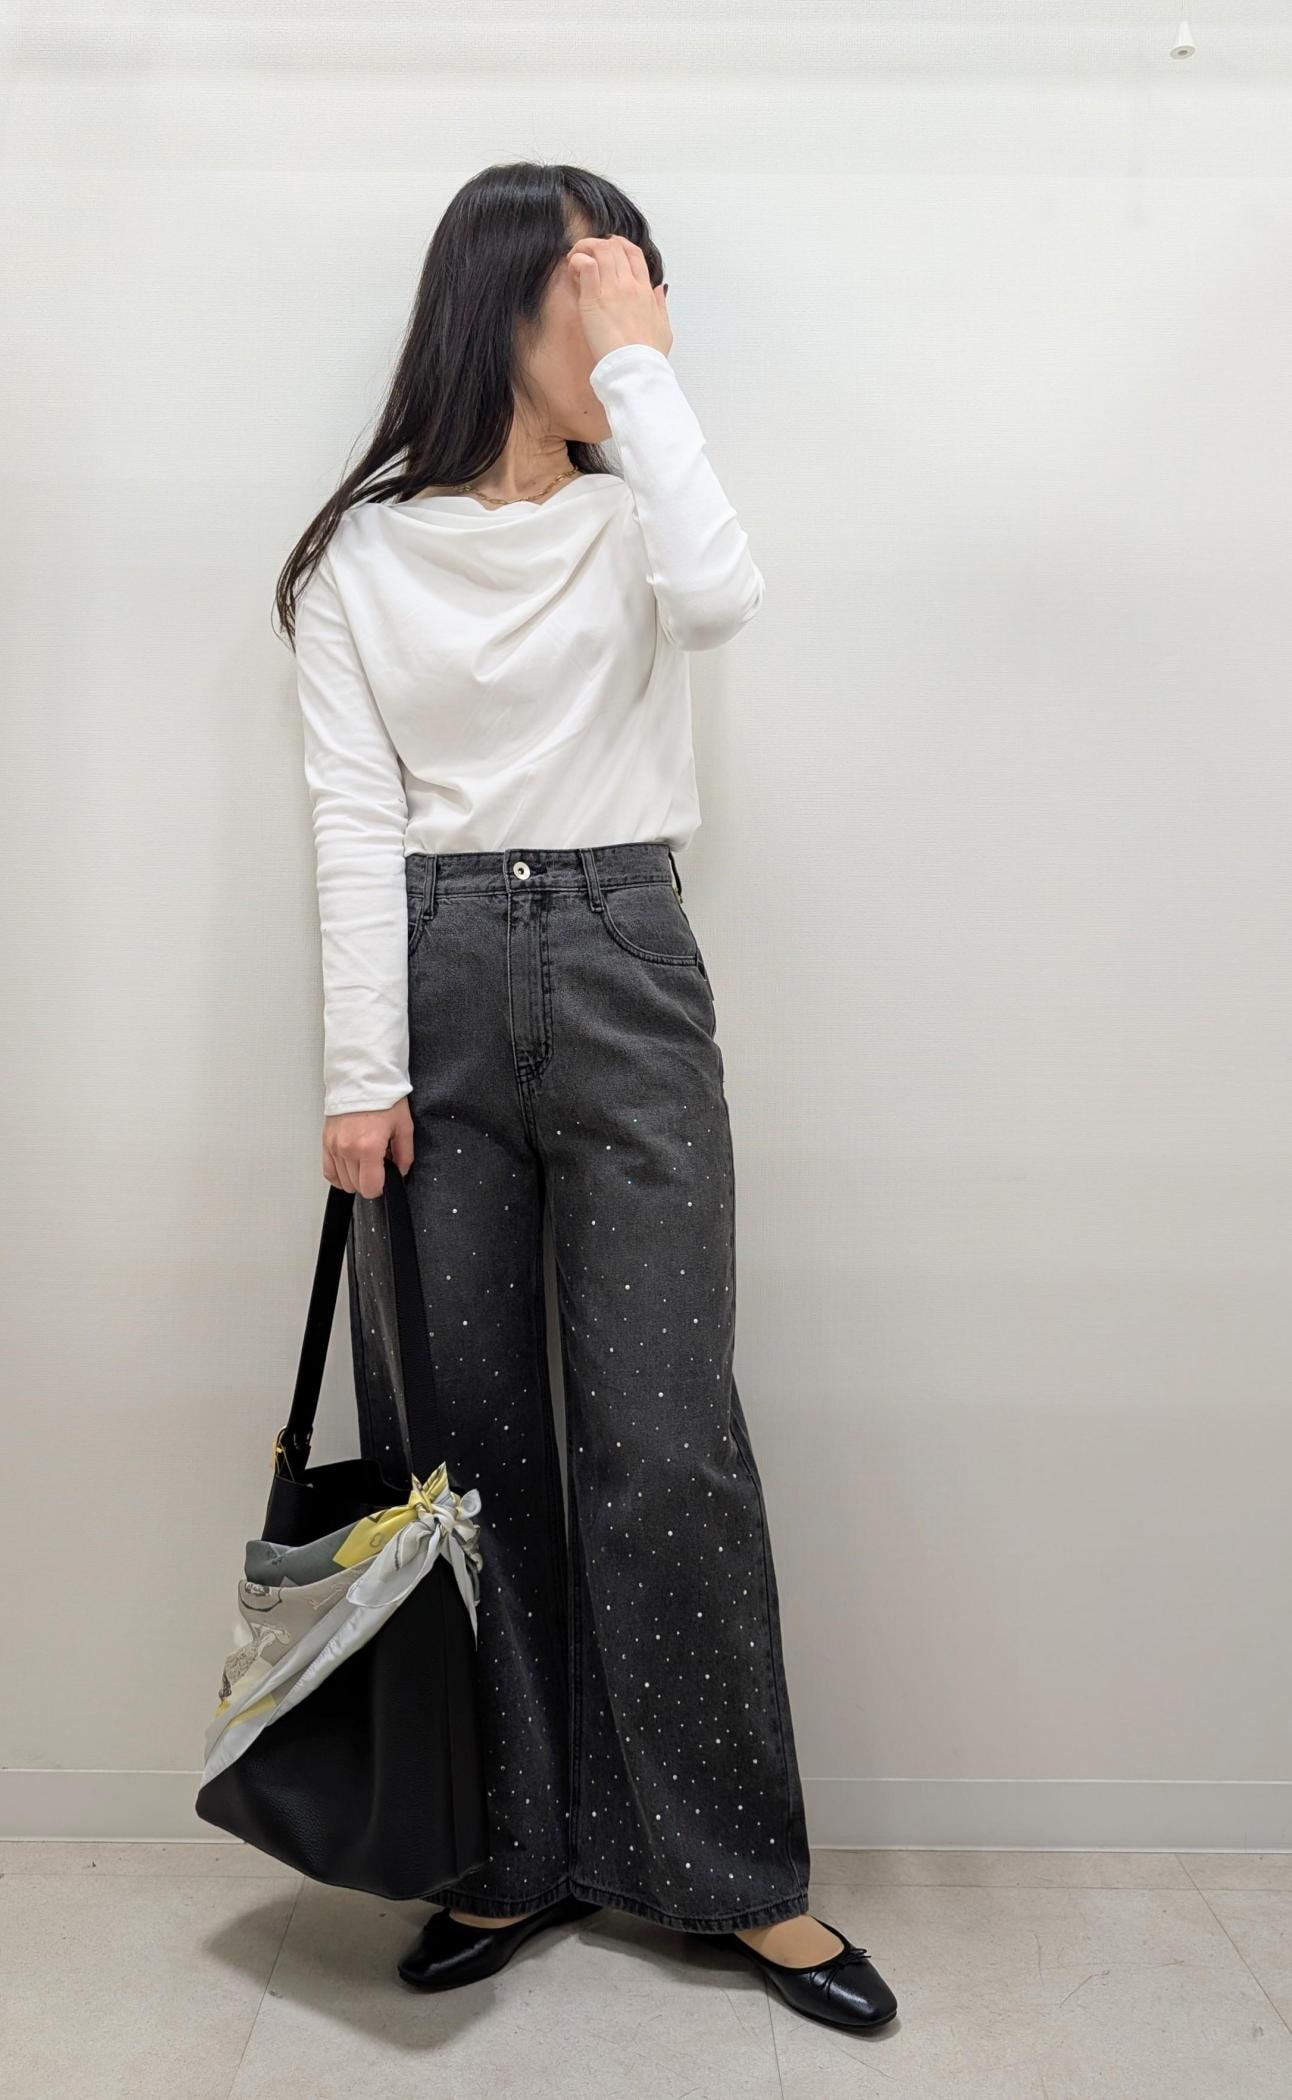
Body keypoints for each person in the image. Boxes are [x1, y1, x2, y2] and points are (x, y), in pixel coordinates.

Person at [274, 161, 896, 2032]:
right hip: (438, 972)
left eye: (640, 281)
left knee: (664, 1440)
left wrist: (639, 372)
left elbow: (724, 595)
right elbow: (354, 815)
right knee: (465, 1456)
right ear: (499, 305)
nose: (629, 309)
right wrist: (361, 1071)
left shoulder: (641, 518)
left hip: (628, 955)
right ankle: (509, 1848)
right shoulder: (360, 558)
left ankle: (731, 1873)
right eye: (590, 283)